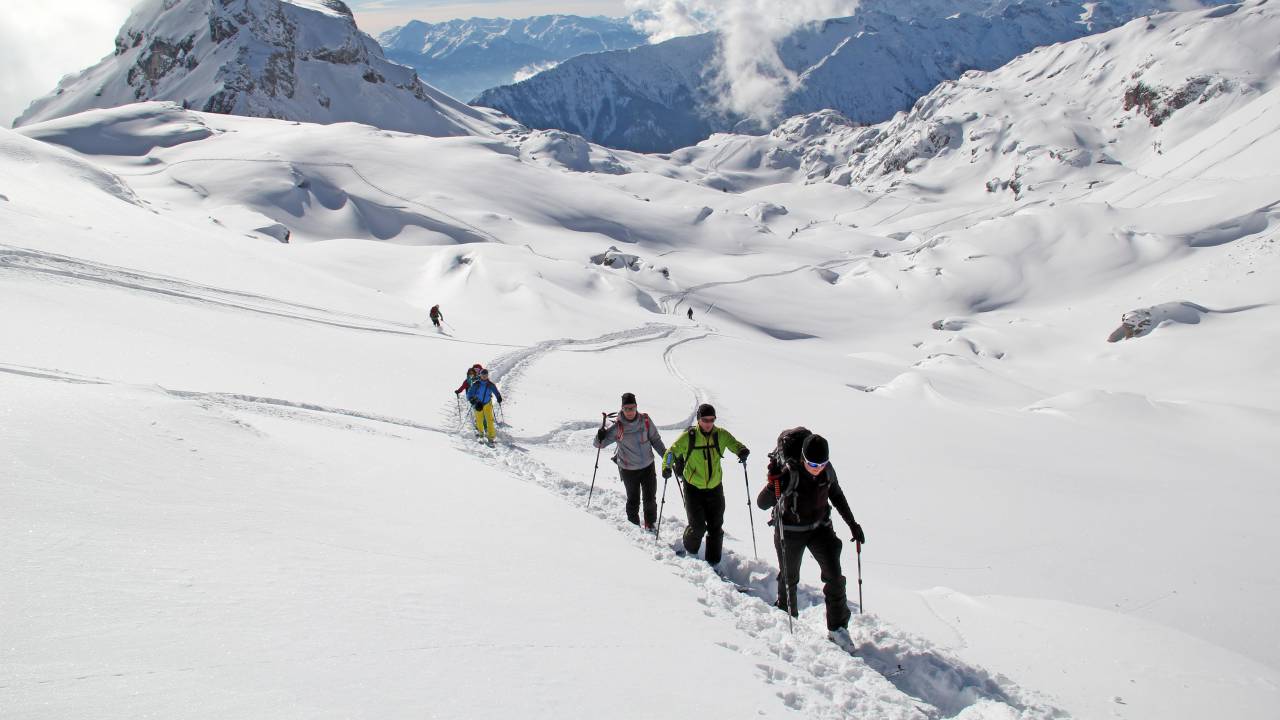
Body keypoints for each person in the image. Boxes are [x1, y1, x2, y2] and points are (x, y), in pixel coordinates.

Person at [756, 431, 865, 636]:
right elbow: (762, 503)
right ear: (802, 458)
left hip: (819, 528)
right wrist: (773, 485)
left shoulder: (827, 471)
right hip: (790, 530)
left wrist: (853, 524)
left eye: (822, 464)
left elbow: (836, 495)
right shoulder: (790, 473)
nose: (817, 469)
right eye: (813, 464)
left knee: (835, 577)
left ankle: (838, 628)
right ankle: (787, 619)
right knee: (789, 578)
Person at [662, 403, 748, 565]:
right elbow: (671, 452)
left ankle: (713, 563)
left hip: (715, 487)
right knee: (698, 527)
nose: (708, 423)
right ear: (698, 419)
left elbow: (734, 444)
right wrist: (666, 466)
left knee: (716, 527)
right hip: (693, 487)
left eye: (711, 420)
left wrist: (741, 450)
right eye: (705, 420)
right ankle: (690, 550)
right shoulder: (689, 437)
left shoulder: (720, 435)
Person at [593, 392, 667, 530]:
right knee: (633, 499)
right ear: (622, 408)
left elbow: (655, 440)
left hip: (648, 466)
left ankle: (650, 524)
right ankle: (634, 527)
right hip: (629, 470)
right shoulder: (618, 427)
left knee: (650, 499)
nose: (629, 411)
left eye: (632, 408)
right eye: (626, 408)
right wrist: (600, 435)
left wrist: (666, 457)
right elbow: (599, 444)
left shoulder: (645, 421)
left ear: (636, 407)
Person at [466, 367, 503, 443]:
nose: (484, 377)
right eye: (483, 375)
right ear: (480, 375)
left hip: (487, 404)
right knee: (479, 420)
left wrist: (499, 397)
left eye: (486, 375)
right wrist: (473, 400)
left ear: (487, 375)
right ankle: (481, 434)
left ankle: (491, 436)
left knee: (490, 420)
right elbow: (469, 394)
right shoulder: (476, 384)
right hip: (478, 404)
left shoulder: (490, 384)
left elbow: (496, 391)